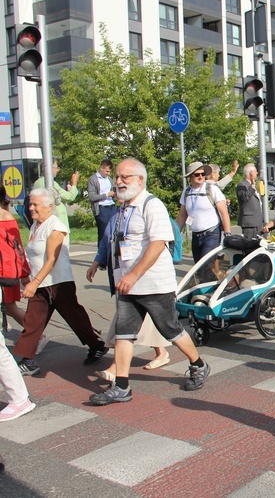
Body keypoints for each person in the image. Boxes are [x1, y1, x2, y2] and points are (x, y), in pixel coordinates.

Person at [89, 159, 211, 406]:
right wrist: (103, 264)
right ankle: (122, 387)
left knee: (170, 329)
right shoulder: (122, 209)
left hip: (154, 285)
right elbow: (113, 241)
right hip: (127, 286)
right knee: (124, 334)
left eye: (125, 177)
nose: (119, 182)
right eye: (118, 178)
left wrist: (133, 275)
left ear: (140, 180)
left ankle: (199, 364)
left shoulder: (151, 205)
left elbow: (157, 244)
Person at [14, 188, 108, 377]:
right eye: (30, 204)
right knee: (33, 321)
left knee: (75, 317)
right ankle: (28, 360)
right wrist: (27, 277)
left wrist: (33, 283)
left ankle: (96, 345)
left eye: (35, 204)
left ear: (49, 207)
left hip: (58, 283)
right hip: (40, 283)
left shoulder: (55, 226)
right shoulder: (35, 225)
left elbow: (51, 259)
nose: (31, 208)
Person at [86, 208, 171, 380]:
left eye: (124, 179)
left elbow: (161, 242)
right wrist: (96, 262)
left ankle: (116, 370)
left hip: (141, 277)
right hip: (124, 276)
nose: (119, 187)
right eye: (116, 182)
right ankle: (168, 354)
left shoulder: (147, 209)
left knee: (127, 324)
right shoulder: (115, 217)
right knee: (142, 321)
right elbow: (106, 242)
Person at [177, 162, 231, 263]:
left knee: (206, 266)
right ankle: (217, 277)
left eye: (202, 174)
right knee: (199, 267)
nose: (201, 176)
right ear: (190, 177)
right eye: (197, 174)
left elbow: (224, 213)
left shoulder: (212, 189)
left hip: (211, 234)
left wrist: (227, 234)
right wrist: (175, 234)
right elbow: (182, 215)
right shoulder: (187, 192)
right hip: (196, 236)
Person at [0, 185, 29, 329]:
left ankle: (35, 335)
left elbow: (18, 247)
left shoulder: (6, 218)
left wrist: (24, 273)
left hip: (5, 270)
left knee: (10, 307)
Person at [33, 160, 79, 230]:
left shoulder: (37, 183)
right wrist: (74, 183)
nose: (57, 170)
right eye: (56, 168)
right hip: (57, 222)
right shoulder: (51, 184)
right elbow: (70, 196)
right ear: (50, 168)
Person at [87, 158, 117, 245]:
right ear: (101, 168)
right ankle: (101, 255)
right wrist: (106, 195)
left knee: (114, 231)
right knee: (104, 233)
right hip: (101, 208)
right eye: (107, 171)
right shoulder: (93, 179)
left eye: (109, 172)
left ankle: (111, 254)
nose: (108, 173)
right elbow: (92, 197)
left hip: (111, 205)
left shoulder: (109, 179)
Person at [236, 163, 264, 239]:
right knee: (249, 245)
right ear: (250, 173)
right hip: (249, 223)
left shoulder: (253, 185)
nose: (257, 173)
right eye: (255, 171)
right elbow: (244, 197)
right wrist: (252, 185)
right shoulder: (242, 185)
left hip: (257, 222)